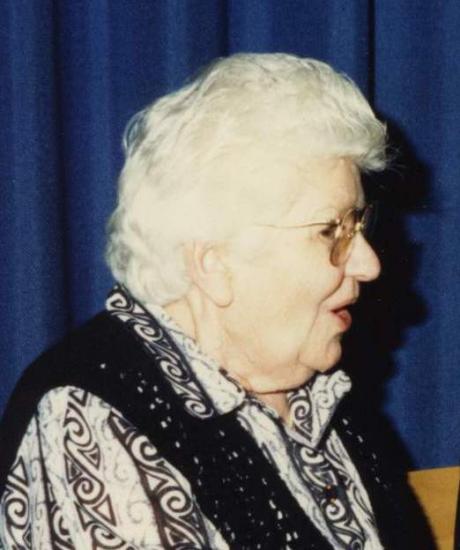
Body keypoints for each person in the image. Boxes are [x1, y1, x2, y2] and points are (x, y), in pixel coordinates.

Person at [0, 53, 432, 549]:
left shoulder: (320, 396)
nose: (369, 263)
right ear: (213, 263)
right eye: (330, 231)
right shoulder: (93, 419)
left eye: (358, 224)